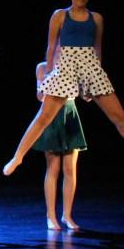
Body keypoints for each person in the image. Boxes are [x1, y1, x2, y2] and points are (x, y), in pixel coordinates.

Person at [4, 0, 124, 175]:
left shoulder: (97, 18)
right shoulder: (59, 15)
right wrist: (49, 74)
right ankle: (18, 157)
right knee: (44, 117)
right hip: (65, 66)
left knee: (119, 117)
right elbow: (51, 48)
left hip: (90, 66)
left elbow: (97, 48)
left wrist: (96, 78)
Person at [32, 61, 87, 230]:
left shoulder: (74, 65)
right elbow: (40, 96)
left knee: (70, 169)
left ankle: (67, 215)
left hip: (70, 113)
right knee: (53, 168)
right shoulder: (43, 67)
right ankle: (50, 215)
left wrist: (87, 90)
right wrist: (52, 76)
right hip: (51, 114)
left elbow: (84, 94)